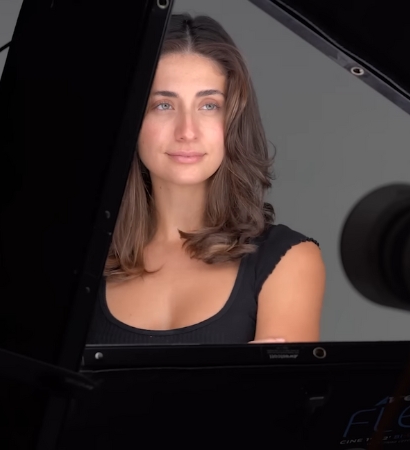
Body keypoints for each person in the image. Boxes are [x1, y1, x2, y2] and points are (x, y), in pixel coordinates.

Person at [85, 13, 326, 345]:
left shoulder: (288, 259)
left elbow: (277, 397)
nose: (187, 131)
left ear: (234, 120)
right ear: (131, 119)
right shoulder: (81, 258)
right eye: (163, 105)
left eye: (209, 106)